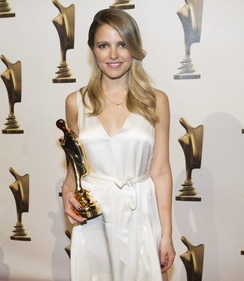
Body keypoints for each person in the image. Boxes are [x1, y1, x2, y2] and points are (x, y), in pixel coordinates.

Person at [61, 8, 176, 281]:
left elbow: (160, 171)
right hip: (94, 219)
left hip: (141, 215)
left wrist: (167, 234)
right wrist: (67, 192)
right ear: (93, 50)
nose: (113, 55)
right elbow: (74, 167)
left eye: (122, 44)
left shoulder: (156, 101)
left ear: (133, 48)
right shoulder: (75, 103)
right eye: (104, 45)